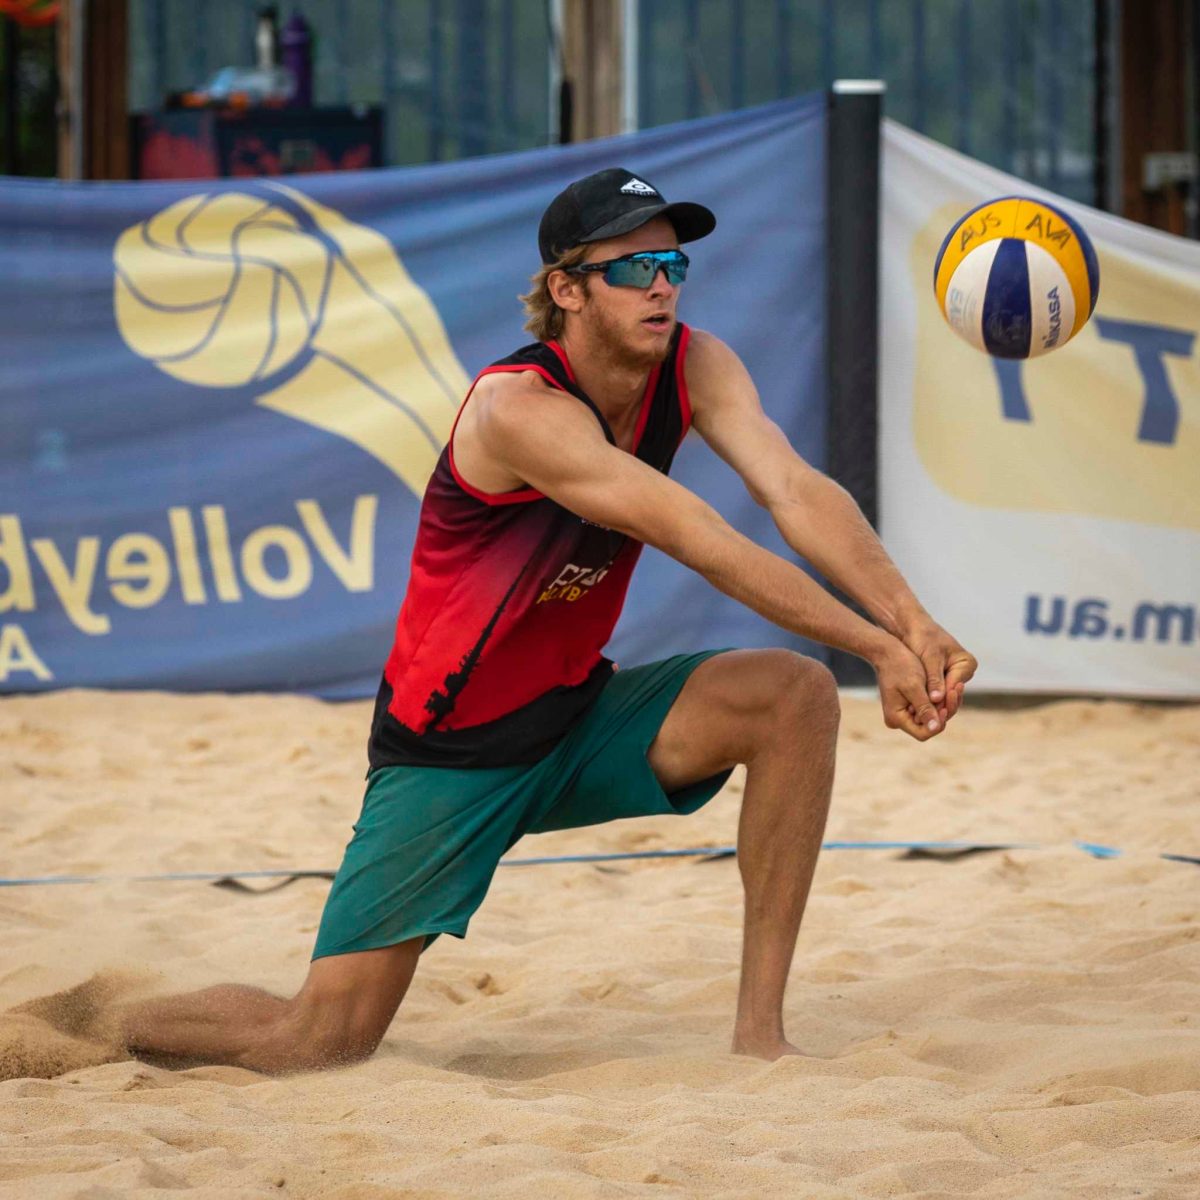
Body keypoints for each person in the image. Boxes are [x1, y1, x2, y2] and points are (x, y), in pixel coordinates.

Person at [115, 167, 976, 1071]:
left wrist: (914, 624)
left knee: (794, 695)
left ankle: (761, 1036)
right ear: (565, 289)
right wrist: (875, 643)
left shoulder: (696, 361)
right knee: (321, 1041)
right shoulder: (518, 409)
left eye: (674, 263)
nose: (662, 285)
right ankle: (101, 1021)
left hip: (575, 715)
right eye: (633, 267)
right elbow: (701, 537)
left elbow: (795, 491)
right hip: (451, 751)